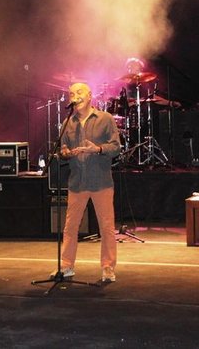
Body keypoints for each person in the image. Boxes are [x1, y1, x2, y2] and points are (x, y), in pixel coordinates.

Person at [51, 82, 121, 282]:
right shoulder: (68, 122)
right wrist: (65, 152)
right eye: (71, 93)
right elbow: (63, 149)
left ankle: (108, 267)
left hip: (101, 181)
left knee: (106, 227)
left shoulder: (105, 119)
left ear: (90, 95)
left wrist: (97, 149)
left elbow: (116, 147)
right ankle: (66, 266)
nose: (75, 96)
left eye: (79, 92)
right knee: (70, 226)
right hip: (77, 182)